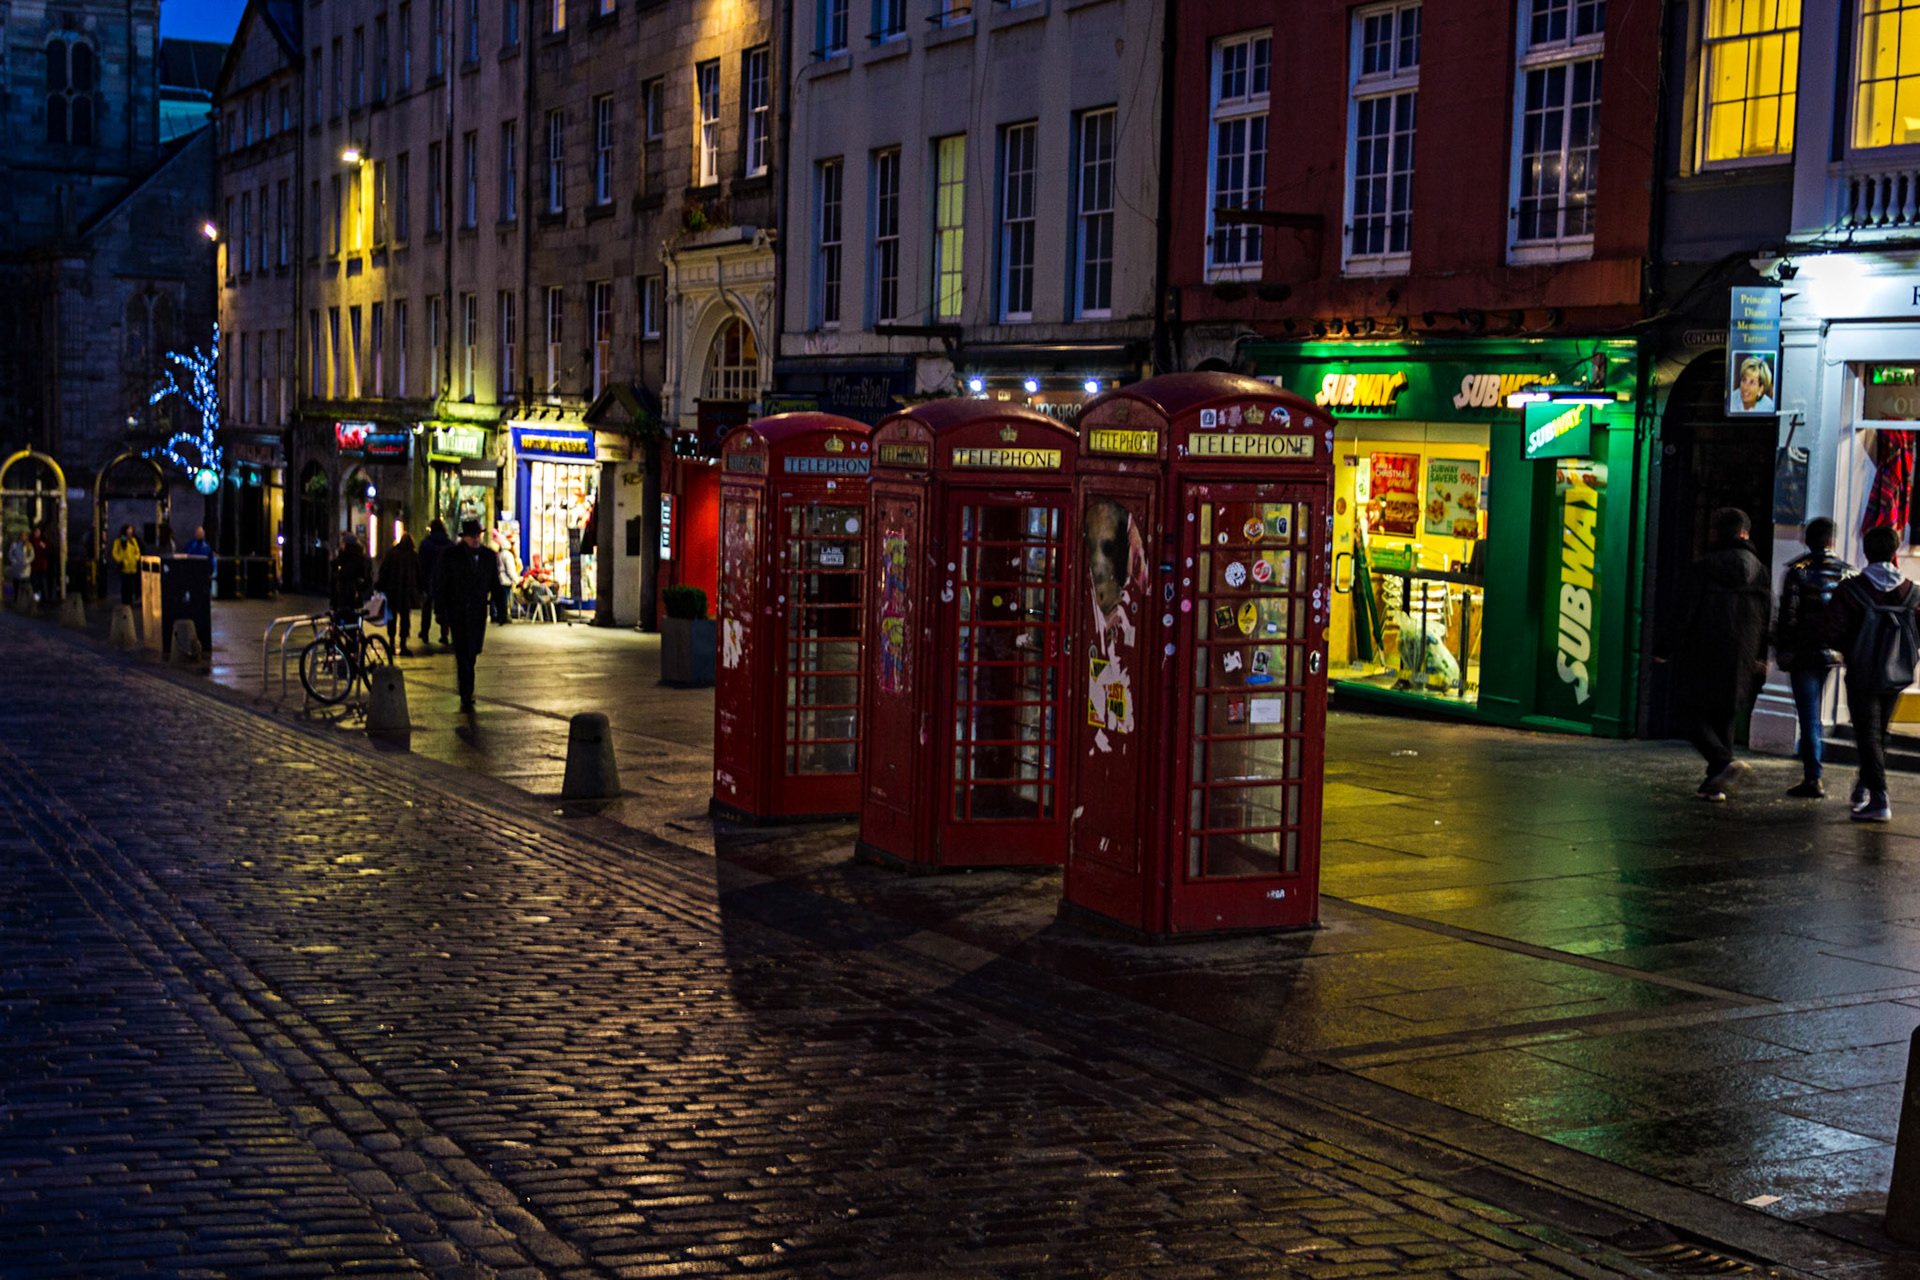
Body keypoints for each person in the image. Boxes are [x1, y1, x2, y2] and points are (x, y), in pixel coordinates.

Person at [1655, 507, 1773, 801]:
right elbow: (1767, 616)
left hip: (1705, 650)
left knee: (1688, 713)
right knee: (1725, 717)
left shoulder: (1705, 566)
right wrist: (1761, 655)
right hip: (1743, 655)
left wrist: (1665, 647)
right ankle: (1715, 783)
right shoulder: (1760, 571)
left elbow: (1685, 612)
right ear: (1745, 533)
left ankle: (1722, 763)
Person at [1822, 525, 1920, 823]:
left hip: (1861, 671)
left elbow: (1832, 630)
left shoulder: (1850, 590)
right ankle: (1865, 785)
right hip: (1898, 672)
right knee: (1879, 733)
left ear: (1866, 553)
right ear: (1894, 553)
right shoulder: (1913, 592)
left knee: (1867, 733)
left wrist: (1852, 647)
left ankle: (1879, 798)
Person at [1772, 517, 1853, 798]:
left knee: (1807, 716)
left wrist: (1783, 649)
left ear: (1807, 539)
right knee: (1814, 714)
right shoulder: (1846, 573)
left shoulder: (1797, 571)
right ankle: (1813, 775)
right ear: (1832, 540)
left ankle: (1813, 777)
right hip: (1832, 654)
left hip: (1803, 653)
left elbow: (1788, 616)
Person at [435, 518, 498, 712]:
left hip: (478, 610)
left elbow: (494, 582)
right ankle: (466, 690)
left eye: (478, 535)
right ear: (465, 538)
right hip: (458, 610)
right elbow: (441, 583)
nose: (476, 539)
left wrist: (501, 610)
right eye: (472, 536)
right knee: (462, 651)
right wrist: (441, 610)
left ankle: (467, 685)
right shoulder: (451, 555)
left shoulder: (488, 555)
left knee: (473, 652)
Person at [376, 532, 421, 657]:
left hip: (392, 591)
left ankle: (391, 643)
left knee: (392, 618)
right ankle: (403, 645)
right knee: (405, 619)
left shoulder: (392, 553)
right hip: (407, 592)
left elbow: (384, 571)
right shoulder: (413, 555)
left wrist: (380, 586)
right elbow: (419, 574)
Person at [416, 518, 454, 649]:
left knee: (426, 607)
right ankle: (444, 634)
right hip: (446, 581)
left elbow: (420, 564)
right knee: (446, 608)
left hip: (429, 580)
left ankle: (425, 632)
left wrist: (421, 581)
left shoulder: (425, 544)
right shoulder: (449, 544)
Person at [329, 531, 372, 615]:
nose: (340, 545)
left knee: (345, 619)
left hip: (346, 596)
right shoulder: (361, 557)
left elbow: (342, 576)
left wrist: (334, 565)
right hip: (356, 596)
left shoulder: (348, 558)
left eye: (342, 542)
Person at [489, 525, 521, 625]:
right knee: (503, 600)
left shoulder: (500, 554)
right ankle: (501, 616)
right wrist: (517, 580)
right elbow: (510, 570)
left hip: (499, 579)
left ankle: (495, 616)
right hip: (505, 580)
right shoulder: (508, 555)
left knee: (495, 599)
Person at [110, 524, 142, 607]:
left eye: (131, 529)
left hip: (133, 566)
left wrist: (136, 558)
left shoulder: (133, 540)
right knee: (125, 585)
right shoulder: (119, 541)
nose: (130, 531)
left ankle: (130, 601)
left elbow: (137, 551)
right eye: (129, 529)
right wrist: (120, 560)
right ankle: (125, 601)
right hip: (124, 567)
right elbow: (114, 552)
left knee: (131, 585)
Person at [5, 529, 32, 606]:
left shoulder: (28, 545)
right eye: (22, 536)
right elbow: (10, 554)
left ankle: (26, 601)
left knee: (25, 586)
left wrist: (27, 561)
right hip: (16, 569)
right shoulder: (15, 545)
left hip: (25, 569)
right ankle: (17, 600)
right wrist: (14, 561)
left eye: (24, 536)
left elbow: (32, 555)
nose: (23, 538)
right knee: (16, 586)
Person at [29, 526, 51, 605]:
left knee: (41, 581)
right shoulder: (31, 541)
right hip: (34, 565)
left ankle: (43, 597)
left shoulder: (43, 541)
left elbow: (48, 549)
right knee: (35, 582)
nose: (37, 533)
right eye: (36, 532)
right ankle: (36, 598)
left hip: (41, 564)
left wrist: (43, 546)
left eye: (38, 532)